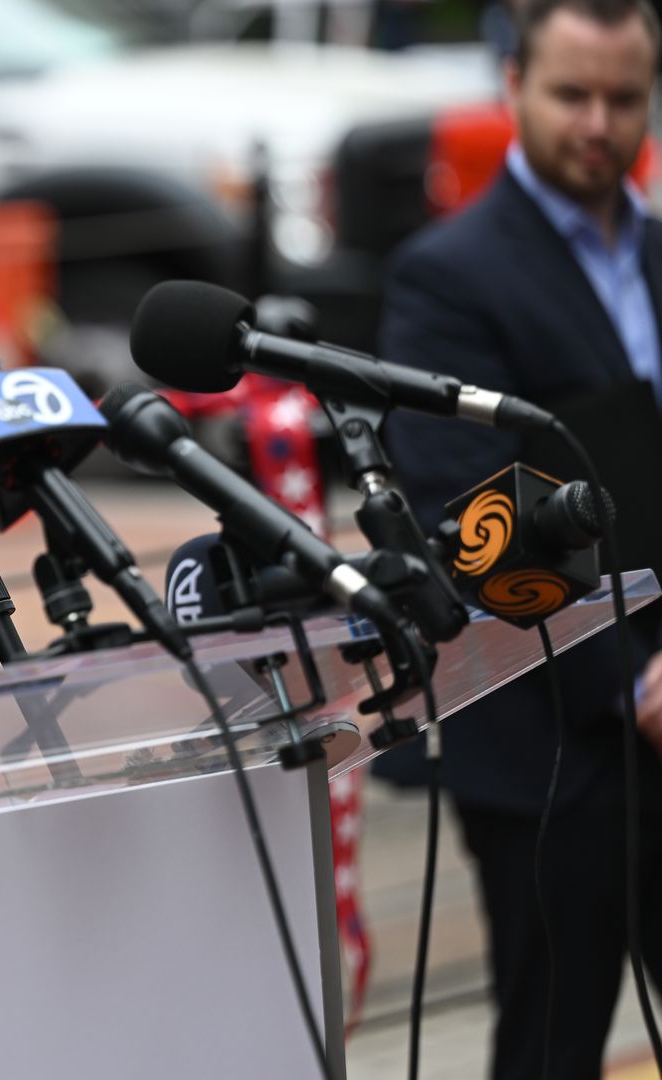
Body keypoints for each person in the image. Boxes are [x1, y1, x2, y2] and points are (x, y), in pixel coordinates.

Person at [378, 1, 662, 1075]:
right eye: (570, 94)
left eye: (624, 98)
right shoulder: (448, 276)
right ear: (513, 89)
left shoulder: (659, 251)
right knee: (553, 1042)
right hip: (550, 741)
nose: (597, 123)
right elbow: (468, 516)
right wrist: (638, 682)